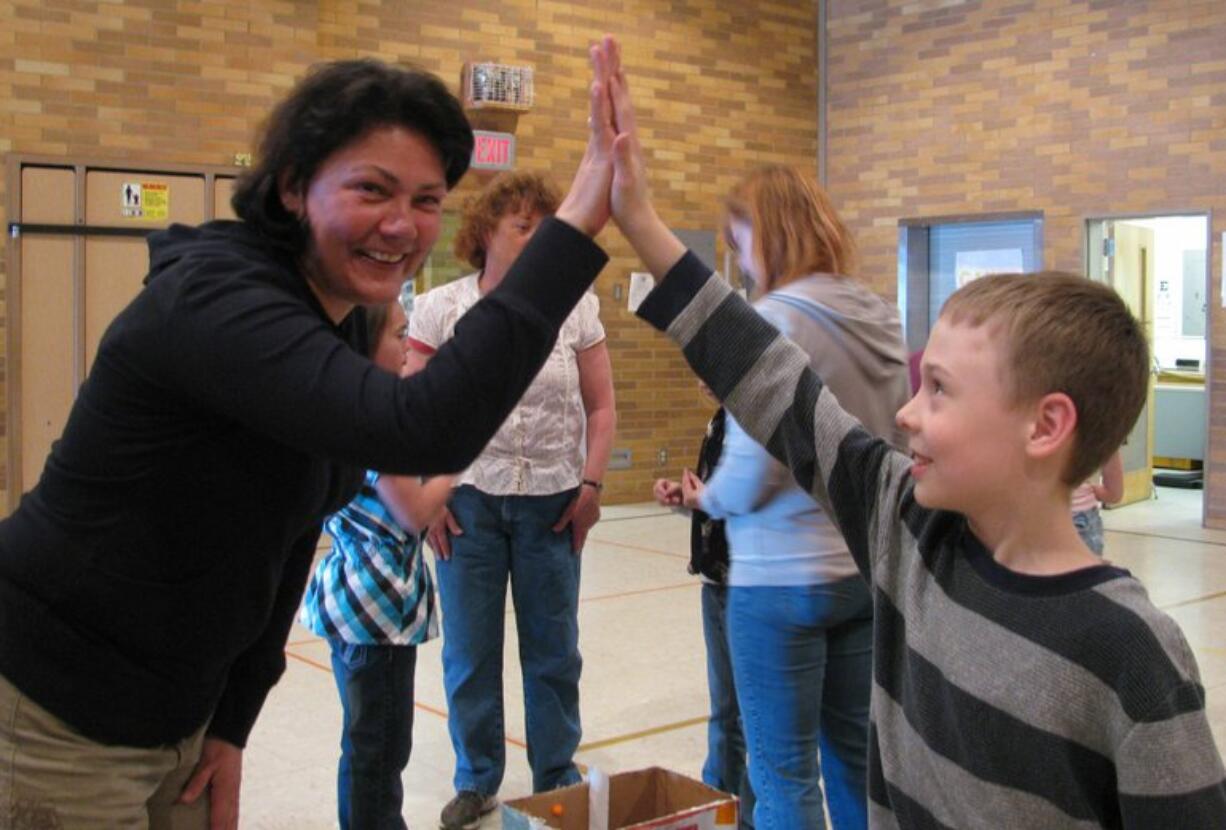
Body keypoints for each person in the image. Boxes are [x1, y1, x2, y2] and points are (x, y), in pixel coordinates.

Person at [595, 35, 1226, 827]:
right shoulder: (906, 533)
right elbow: (776, 383)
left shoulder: (1133, 653)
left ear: (1045, 426)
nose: (904, 412)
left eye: (940, 391)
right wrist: (641, 221)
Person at [0, 51, 621, 828]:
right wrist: (576, 224)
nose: (402, 225)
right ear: (293, 186)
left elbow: (286, 536)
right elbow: (420, 427)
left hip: (179, 715)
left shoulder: (338, 321)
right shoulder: (222, 297)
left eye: (428, 200)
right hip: (57, 707)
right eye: (372, 189)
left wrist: (231, 721)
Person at [672, 166, 906, 829]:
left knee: (782, 774)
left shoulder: (771, 320)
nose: (739, 259)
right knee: (856, 766)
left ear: (767, 235)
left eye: (740, 240)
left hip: (779, 577)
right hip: (861, 569)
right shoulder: (878, 312)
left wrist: (705, 497)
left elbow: (754, 475)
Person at [404, 171, 617, 830]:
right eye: (522, 224)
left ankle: (556, 770)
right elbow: (411, 409)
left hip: (552, 502)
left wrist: (591, 485)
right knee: (469, 652)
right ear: (485, 233)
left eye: (545, 226)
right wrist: (426, 496)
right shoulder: (440, 308)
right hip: (467, 503)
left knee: (555, 648)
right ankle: (477, 779)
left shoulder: (576, 307)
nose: (536, 237)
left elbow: (602, 404)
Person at [298, 300, 453, 830]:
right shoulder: (370, 419)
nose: (410, 344)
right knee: (378, 748)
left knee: (372, 743)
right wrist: (456, 464)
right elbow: (412, 514)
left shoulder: (360, 410)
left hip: (364, 609)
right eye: (400, 335)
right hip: (373, 614)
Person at [654, 401, 756, 829]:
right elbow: (717, 503)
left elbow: (751, 500)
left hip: (746, 588)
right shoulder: (718, 420)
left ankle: (750, 813)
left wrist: (708, 498)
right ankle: (717, 800)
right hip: (715, 584)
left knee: (750, 714)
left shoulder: (749, 422)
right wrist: (689, 502)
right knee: (724, 708)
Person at [1070, 449, 1124, 555]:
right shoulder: (1100, 433)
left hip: (1037, 519)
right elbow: (1114, 493)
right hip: (1082, 515)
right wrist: (1088, 488)